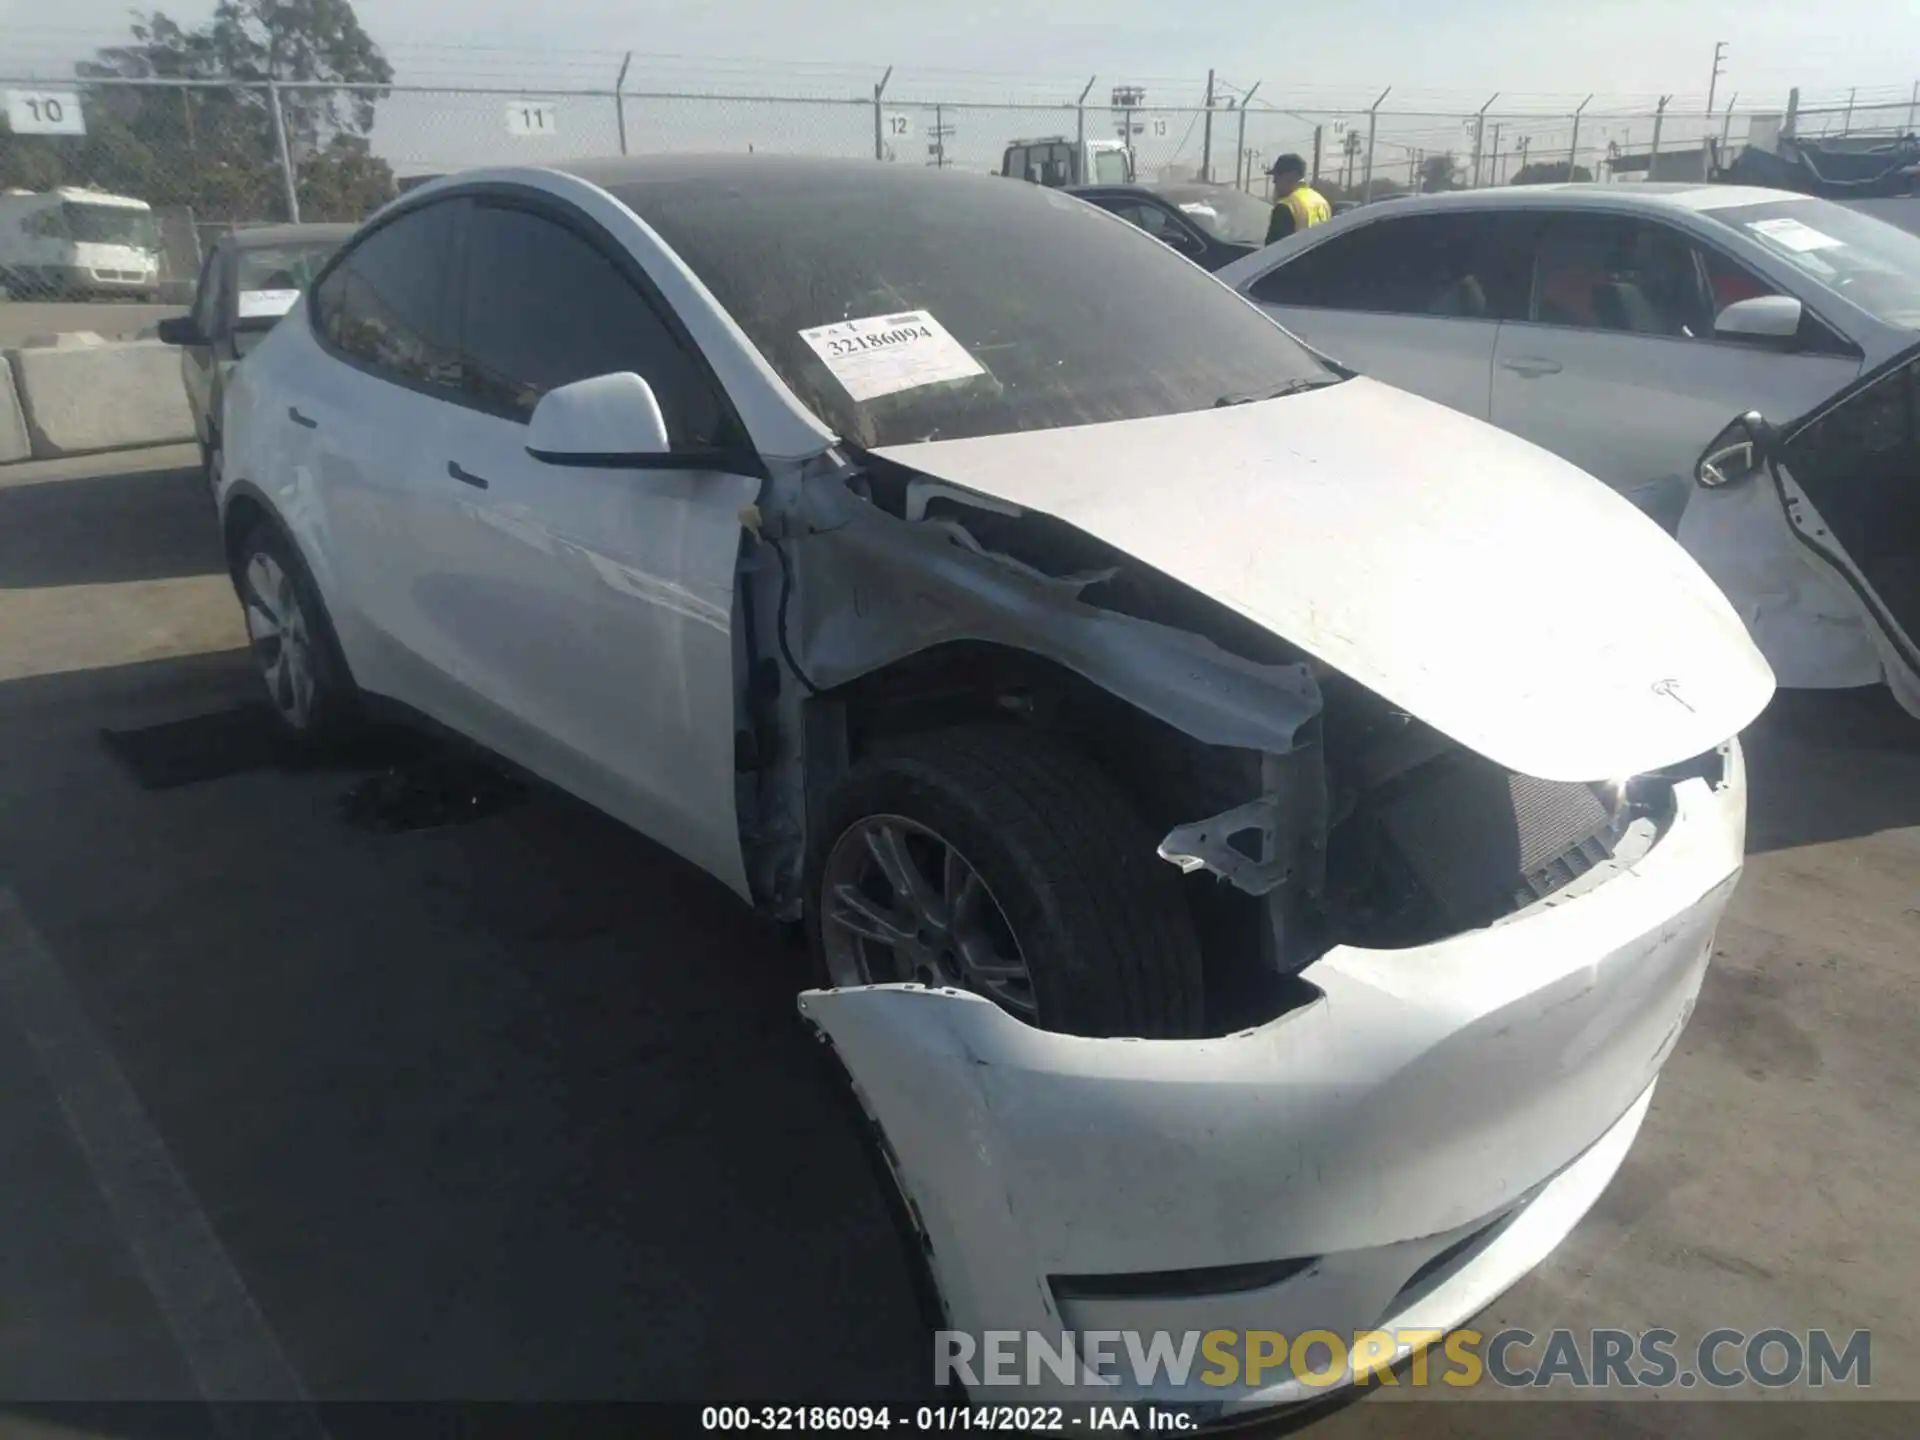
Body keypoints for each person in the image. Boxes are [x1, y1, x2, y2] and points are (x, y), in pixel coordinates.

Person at [1264, 154, 1332, 246]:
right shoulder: (1322, 201)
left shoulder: (1286, 206)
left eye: (1277, 176)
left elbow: (1273, 250)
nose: (1274, 181)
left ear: (1292, 175)